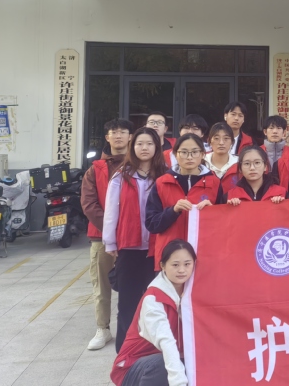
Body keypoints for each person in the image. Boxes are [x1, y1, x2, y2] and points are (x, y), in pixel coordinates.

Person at [103, 127, 167, 353]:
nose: (144, 148)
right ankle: (124, 354)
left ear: (157, 147)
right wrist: (110, 241)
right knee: (128, 305)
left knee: (157, 303)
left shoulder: (165, 176)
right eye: (139, 143)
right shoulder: (121, 176)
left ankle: (156, 352)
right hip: (129, 248)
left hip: (158, 249)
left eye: (149, 143)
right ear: (133, 147)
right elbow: (111, 211)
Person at [111, 239, 195, 386]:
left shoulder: (192, 292)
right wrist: (179, 383)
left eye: (187, 264)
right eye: (175, 265)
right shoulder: (153, 299)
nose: (182, 270)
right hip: (134, 366)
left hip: (170, 358)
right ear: (163, 266)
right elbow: (166, 342)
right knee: (161, 364)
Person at [82, 118, 133, 351]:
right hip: (101, 237)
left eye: (123, 131)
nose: (119, 135)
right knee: (101, 285)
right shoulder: (95, 169)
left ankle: (134, 329)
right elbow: (89, 204)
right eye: (114, 132)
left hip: (133, 237)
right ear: (107, 137)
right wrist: (111, 230)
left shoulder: (140, 165)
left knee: (134, 283)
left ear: (130, 137)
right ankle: (102, 328)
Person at [145, 134, 221, 266]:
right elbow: (151, 224)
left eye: (195, 152)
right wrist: (173, 211)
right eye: (184, 152)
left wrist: (212, 212)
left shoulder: (214, 183)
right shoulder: (162, 183)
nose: (190, 157)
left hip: (204, 254)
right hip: (169, 256)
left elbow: (223, 225)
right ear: (175, 154)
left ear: (203, 154)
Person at [204, 122, 239, 194]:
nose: (221, 143)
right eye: (216, 138)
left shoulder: (239, 163)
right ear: (209, 141)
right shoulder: (202, 162)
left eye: (226, 138)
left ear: (232, 142)